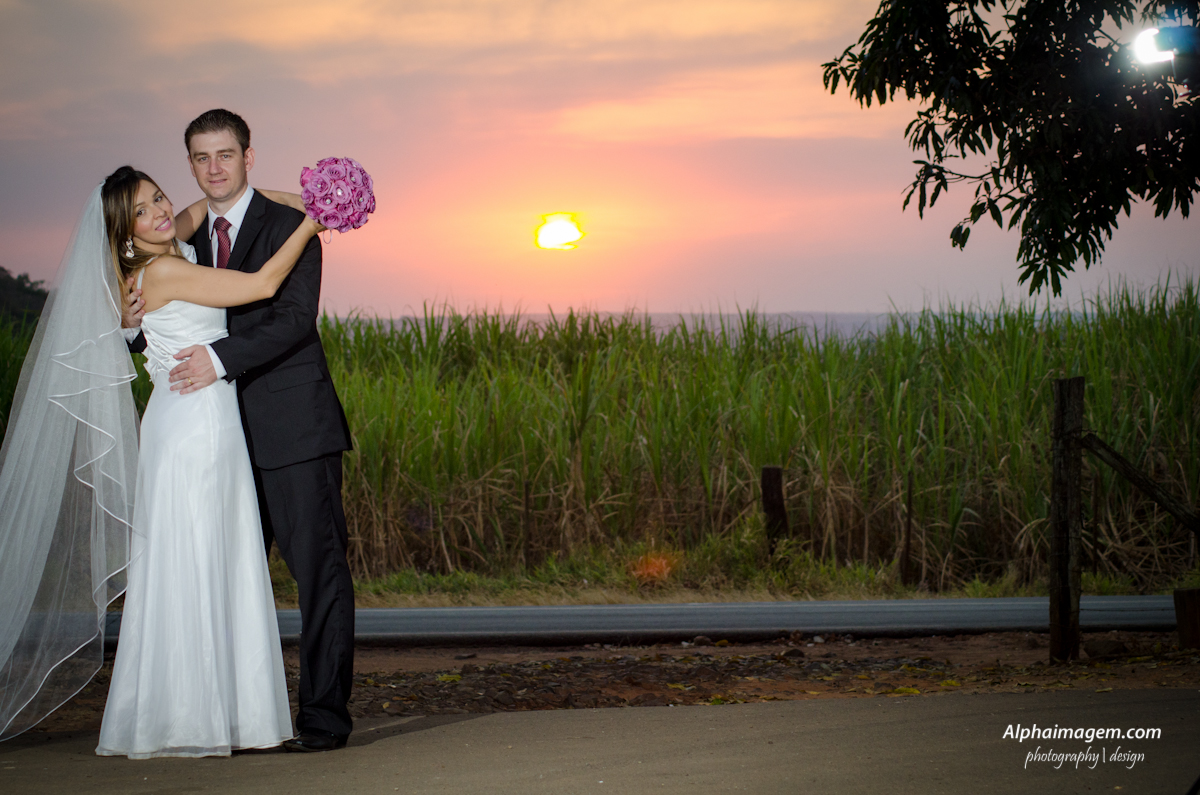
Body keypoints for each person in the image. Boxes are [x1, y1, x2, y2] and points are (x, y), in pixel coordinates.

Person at [123, 109, 355, 753]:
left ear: (250, 156)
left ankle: (323, 718)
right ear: (191, 165)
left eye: (226, 154)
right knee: (221, 576)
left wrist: (220, 360)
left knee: (319, 572)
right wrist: (136, 323)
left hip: (292, 427)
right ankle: (228, 712)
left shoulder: (288, 228)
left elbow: (292, 320)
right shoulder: (184, 236)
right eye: (201, 158)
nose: (214, 168)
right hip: (212, 438)